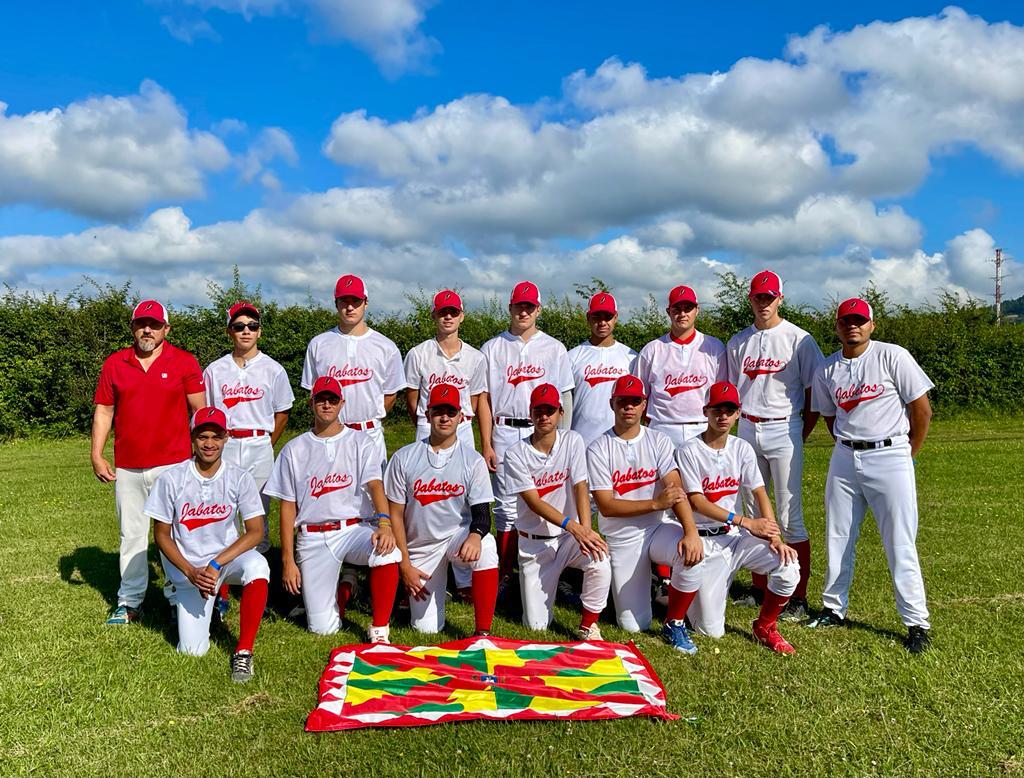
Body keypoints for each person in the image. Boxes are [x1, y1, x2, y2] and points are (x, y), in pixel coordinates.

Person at [808, 298, 934, 654]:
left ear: (871, 325)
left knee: (899, 540)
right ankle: (834, 609)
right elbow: (831, 417)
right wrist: (848, 446)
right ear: (837, 326)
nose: (853, 326)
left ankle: (916, 622)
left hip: (890, 452)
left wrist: (907, 453)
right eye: (846, 321)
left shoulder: (892, 356)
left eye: (860, 320)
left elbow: (922, 410)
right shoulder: (827, 368)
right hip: (845, 456)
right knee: (838, 536)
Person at [91, 299, 206, 625]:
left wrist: (202, 457)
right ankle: (129, 602)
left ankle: (178, 596)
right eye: (141, 324)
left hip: (174, 465)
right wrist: (96, 454)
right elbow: (104, 411)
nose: (147, 330)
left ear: (166, 329)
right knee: (131, 535)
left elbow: (199, 411)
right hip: (129, 465)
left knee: (178, 535)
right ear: (132, 328)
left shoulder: (184, 361)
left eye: (154, 325)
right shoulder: (115, 363)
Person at [263, 375, 402, 642]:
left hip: (353, 529)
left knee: (387, 552)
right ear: (311, 403)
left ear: (342, 403)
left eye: (333, 399)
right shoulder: (294, 449)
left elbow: (375, 484)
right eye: (321, 399)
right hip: (313, 536)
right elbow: (287, 507)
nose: (327, 404)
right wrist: (288, 561)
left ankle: (379, 629)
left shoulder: (361, 441)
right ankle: (346, 587)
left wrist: (384, 524)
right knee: (322, 628)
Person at [675, 381, 801, 654]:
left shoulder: (741, 448)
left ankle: (765, 626)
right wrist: (746, 522)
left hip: (734, 537)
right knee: (709, 630)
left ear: (738, 413)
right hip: (705, 541)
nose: (723, 416)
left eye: (729, 410)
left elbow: (759, 492)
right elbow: (697, 501)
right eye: (716, 410)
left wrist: (774, 538)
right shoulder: (689, 450)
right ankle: (674, 594)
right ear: (706, 411)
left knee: (788, 565)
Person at [726, 271, 823, 620]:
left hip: (784, 425)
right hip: (748, 426)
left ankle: (798, 596)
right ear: (750, 299)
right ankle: (758, 587)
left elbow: (814, 392)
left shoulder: (800, 339)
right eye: (758, 297)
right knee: (752, 511)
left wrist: (800, 431)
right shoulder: (738, 342)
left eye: (770, 297)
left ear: (780, 298)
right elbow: (731, 391)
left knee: (788, 514)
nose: (763, 303)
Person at [147, 407, 270, 682]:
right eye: (203, 436)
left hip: (225, 562)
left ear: (226, 438)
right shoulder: (171, 478)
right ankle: (191, 599)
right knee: (193, 651)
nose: (209, 443)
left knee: (258, 566)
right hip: (190, 568)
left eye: (216, 436)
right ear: (192, 438)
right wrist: (190, 571)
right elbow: (161, 535)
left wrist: (216, 563)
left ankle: (244, 651)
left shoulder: (239, 477)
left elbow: (255, 532)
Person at [586, 375, 705, 654]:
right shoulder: (599, 447)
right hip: (621, 536)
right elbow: (606, 505)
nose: (628, 407)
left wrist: (691, 532)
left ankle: (674, 621)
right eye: (622, 401)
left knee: (691, 552)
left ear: (644, 405)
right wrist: (655, 503)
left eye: (635, 401)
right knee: (633, 625)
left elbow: (675, 490)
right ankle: (651, 586)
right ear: (612, 404)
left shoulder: (658, 440)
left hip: (655, 528)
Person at [478, 281, 575, 587]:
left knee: (550, 500)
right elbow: (484, 399)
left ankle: (554, 568)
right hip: (505, 429)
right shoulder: (492, 348)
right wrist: (486, 443)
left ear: (538, 310)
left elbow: (565, 396)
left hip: (543, 431)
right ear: (510, 308)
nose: (524, 312)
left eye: (529, 307)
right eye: (519, 306)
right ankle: (506, 573)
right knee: (506, 507)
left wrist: (563, 438)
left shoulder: (554, 348)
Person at [385, 384, 499, 635]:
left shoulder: (473, 460)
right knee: (426, 629)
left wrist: (475, 535)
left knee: (487, 545)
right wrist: (405, 565)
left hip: (455, 539)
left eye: (450, 412)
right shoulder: (404, 457)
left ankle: (482, 632)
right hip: (420, 547)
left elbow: (482, 514)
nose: (444, 417)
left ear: (461, 417)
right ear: (427, 415)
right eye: (438, 411)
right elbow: (395, 516)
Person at [504, 383, 611, 640]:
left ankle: (588, 625)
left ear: (560, 413)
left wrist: (586, 531)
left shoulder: (572, 440)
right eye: (538, 411)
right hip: (535, 545)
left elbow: (580, 485)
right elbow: (534, 501)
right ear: (530, 414)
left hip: (567, 538)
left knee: (600, 559)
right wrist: (575, 527)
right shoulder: (515, 453)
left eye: (550, 410)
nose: (544, 416)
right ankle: (525, 588)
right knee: (537, 627)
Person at [203, 301, 294, 562]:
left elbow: (282, 412)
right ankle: (223, 569)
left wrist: (267, 443)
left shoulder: (273, 369)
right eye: (239, 326)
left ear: (259, 332)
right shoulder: (215, 370)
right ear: (229, 331)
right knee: (222, 507)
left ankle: (257, 572)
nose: (246, 331)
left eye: (252, 326)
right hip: (225, 443)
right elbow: (206, 412)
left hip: (259, 443)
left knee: (258, 510)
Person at [300, 274, 406, 466]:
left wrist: (371, 415)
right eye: (344, 301)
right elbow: (313, 392)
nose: (350, 307)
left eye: (356, 301)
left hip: (370, 432)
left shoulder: (386, 346)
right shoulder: (318, 344)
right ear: (336, 304)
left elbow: (390, 394)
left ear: (366, 303)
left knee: (372, 485)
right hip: (329, 433)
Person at [636, 285, 728, 450]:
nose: (682, 314)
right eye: (677, 309)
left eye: (688, 308)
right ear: (668, 311)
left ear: (697, 310)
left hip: (702, 426)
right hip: (662, 428)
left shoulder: (714, 347)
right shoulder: (652, 349)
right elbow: (640, 395)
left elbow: (721, 393)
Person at [404, 289, 486, 449]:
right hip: (428, 426)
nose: (448, 317)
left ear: (462, 316)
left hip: (462, 427)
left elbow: (474, 400)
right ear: (433, 315)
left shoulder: (476, 357)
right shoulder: (417, 354)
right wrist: (425, 422)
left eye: (454, 312)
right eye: (443, 312)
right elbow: (412, 398)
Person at [567, 292, 638, 448]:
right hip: (581, 440)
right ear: (588, 318)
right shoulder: (572, 356)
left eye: (608, 317)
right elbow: (564, 402)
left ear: (616, 317)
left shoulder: (631, 357)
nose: (602, 322)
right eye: (596, 317)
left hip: (621, 440)